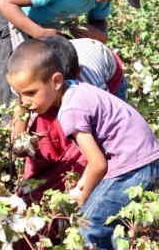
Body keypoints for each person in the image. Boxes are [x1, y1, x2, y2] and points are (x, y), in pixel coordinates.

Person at [7, 39, 159, 250]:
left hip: (132, 167)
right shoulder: (75, 89)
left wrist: (80, 195)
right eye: (19, 95)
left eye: (31, 93)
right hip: (142, 159)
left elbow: (97, 164)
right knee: (108, 223)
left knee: (88, 229)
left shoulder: (71, 110)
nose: (25, 101)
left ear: (56, 81)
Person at [0, 0, 148, 108]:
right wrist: (41, 34)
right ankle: (10, 127)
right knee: (19, 83)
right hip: (14, 19)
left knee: (47, 84)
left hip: (45, 27)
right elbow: (4, 2)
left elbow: (100, 24)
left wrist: (97, 34)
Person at [13, 36, 126, 203]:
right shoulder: (28, 74)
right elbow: (20, 107)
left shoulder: (89, 86)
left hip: (110, 72)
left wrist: (83, 190)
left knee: (108, 145)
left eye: (30, 93)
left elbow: (101, 127)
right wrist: (19, 140)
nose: (25, 98)